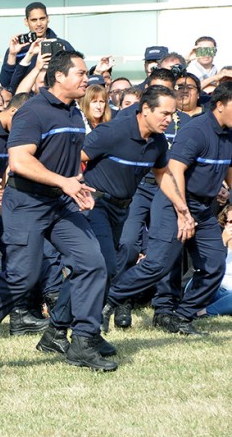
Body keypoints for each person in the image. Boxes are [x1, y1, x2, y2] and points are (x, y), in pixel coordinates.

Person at [0, 50, 116, 372]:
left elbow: (64, 161)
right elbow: (19, 161)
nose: (87, 79)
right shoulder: (33, 112)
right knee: (21, 277)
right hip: (27, 202)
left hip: (61, 202)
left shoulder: (73, 112)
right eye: (81, 74)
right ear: (59, 76)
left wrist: (76, 187)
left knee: (93, 262)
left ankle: (83, 340)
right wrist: (64, 183)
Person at [41, 86, 184, 352]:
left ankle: (55, 333)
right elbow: (74, 157)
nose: (169, 119)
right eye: (164, 113)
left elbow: (163, 174)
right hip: (95, 205)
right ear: (145, 110)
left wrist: (181, 209)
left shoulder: (158, 142)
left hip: (122, 209)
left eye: (172, 114)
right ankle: (81, 333)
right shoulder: (113, 132)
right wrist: (68, 186)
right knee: (101, 267)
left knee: (99, 270)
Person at [105, 82, 232, 336]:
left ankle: (182, 316)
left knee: (215, 265)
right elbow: (174, 171)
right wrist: (183, 212)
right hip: (175, 203)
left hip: (204, 208)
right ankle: (108, 300)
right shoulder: (196, 131)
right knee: (158, 264)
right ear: (220, 105)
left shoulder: (229, 135)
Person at [0, 2, 73, 92]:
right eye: (34, 20)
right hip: (25, 100)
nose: (39, 24)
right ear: (26, 22)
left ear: (48, 18)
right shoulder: (18, 48)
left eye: (42, 19)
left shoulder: (62, 45)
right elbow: (6, 83)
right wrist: (12, 55)